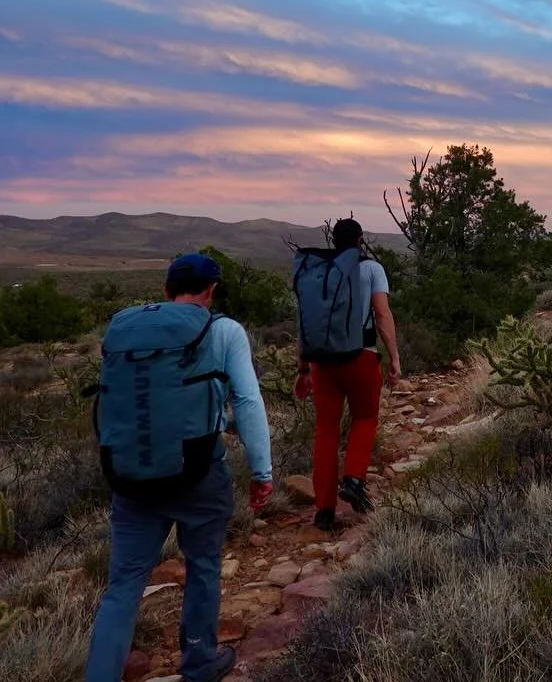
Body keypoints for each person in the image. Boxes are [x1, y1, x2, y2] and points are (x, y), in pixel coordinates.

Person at [86, 253, 273, 682]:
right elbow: (246, 400)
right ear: (211, 291)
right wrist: (261, 471)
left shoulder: (124, 331)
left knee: (123, 586)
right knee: (203, 566)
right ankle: (199, 662)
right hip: (200, 474)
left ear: (166, 290)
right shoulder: (223, 330)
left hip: (131, 477)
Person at [293, 218, 400, 531]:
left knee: (326, 430)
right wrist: (394, 356)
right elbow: (382, 314)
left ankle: (324, 509)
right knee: (364, 419)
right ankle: (353, 480)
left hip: (322, 363)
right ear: (360, 240)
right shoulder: (371, 269)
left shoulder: (317, 274)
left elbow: (304, 324)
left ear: (334, 240)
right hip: (361, 357)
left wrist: (302, 369)